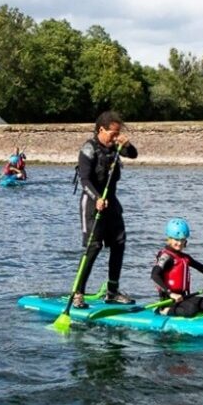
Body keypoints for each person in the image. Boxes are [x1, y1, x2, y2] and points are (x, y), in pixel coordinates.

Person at [72, 111, 138, 308]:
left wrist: (125, 144)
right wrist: (97, 198)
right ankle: (78, 293)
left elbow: (133, 154)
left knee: (119, 242)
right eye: (113, 133)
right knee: (94, 247)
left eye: (118, 134)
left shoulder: (116, 147)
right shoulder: (88, 149)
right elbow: (84, 180)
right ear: (102, 130)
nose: (116, 137)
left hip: (112, 203)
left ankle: (112, 291)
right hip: (92, 203)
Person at [151, 218, 203, 316]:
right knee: (191, 310)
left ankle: (186, 310)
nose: (179, 243)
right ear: (169, 239)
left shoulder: (185, 258)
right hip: (169, 300)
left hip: (185, 297)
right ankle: (163, 311)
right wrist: (171, 293)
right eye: (176, 239)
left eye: (182, 240)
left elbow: (201, 268)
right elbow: (154, 275)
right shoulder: (165, 256)